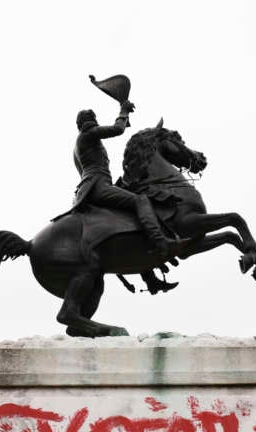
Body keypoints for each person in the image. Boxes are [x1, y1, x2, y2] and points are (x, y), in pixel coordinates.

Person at [71, 104, 177, 293]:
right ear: (87, 122)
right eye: (93, 119)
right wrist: (124, 111)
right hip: (99, 186)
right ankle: (160, 241)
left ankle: (150, 278)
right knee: (140, 201)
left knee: (129, 218)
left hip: (92, 188)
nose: (94, 122)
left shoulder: (79, 144)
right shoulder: (89, 133)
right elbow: (117, 130)